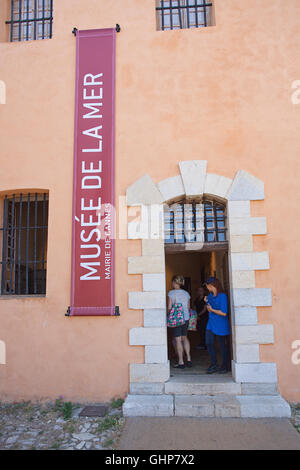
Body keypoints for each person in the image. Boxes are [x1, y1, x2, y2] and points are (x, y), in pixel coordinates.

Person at [204, 277, 230, 374]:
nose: (207, 288)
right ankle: (214, 364)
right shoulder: (210, 296)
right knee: (209, 343)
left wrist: (212, 310)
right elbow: (209, 307)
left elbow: (224, 312)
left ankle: (224, 366)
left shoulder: (222, 296)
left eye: (207, 286)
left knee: (222, 346)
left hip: (221, 324)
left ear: (211, 285)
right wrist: (206, 302)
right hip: (211, 323)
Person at [167, 274, 192, 369]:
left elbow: (169, 307)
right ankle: (189, 359)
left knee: (178, 340)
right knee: (185, 338)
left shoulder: (171, 293)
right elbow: (189, 307)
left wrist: (168, 314)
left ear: (174, 282)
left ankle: (181, 361)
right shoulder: (186, 293)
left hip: (177, 318)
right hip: (185, 317)